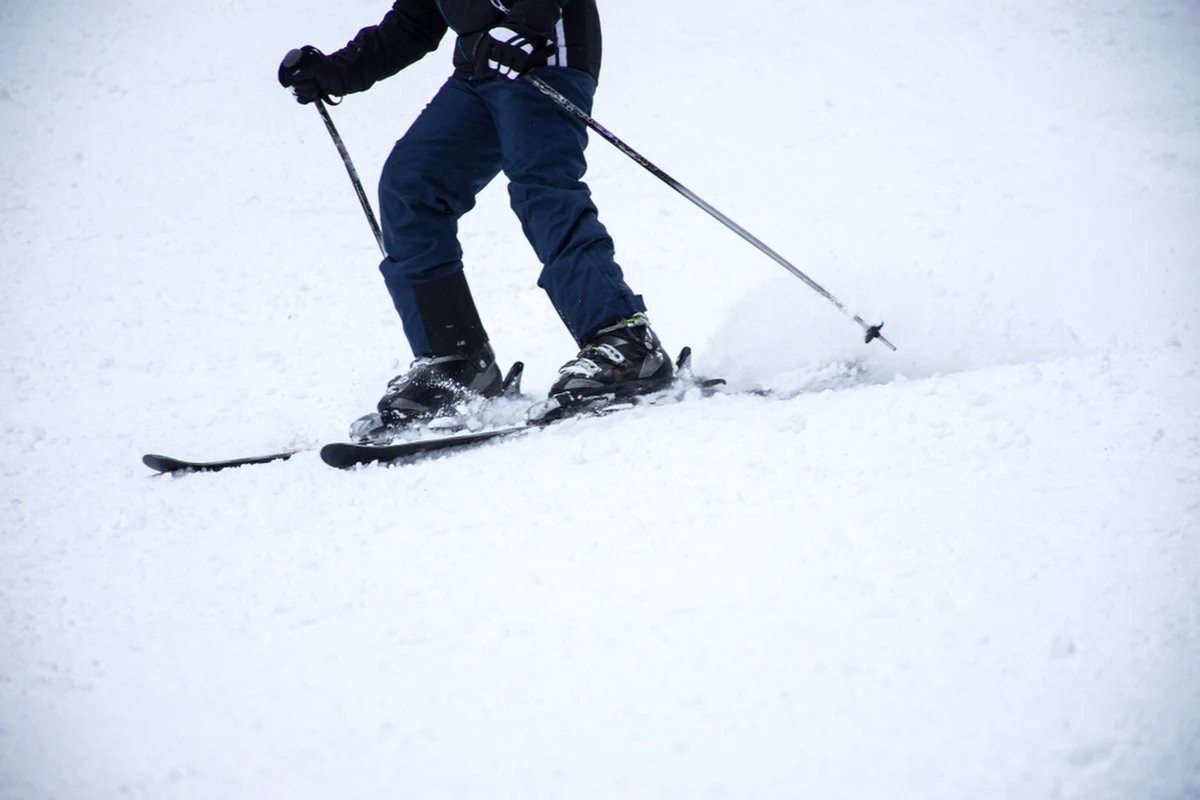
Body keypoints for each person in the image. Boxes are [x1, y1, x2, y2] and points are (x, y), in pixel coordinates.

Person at [279, 0, 672, 430]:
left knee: (540, 187)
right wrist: (336, 72)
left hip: (542, 56)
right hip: (479, 65)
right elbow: (413, 22)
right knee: (411, 186)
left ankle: (624, 342)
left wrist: (524, 24)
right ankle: (458, 363)